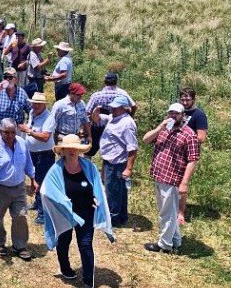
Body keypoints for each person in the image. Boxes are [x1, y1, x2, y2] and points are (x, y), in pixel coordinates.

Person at [41, 134, 114, 288]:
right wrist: (62, 202)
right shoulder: (55, 170)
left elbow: (97, 187)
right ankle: (65, 268)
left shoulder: (89, 167)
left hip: (86, 212)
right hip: (65, 214)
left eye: (75, 148)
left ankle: (88, 281)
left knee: (85, 244)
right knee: (64, 240)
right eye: (68, 148)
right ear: (63, 151)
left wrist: (96, 198)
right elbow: (45, 191)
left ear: (79, 150)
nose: (72, 150)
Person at [142, 103, 200, 253]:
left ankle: (165, 245)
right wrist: (160, 127)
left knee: (166, 213)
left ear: (183, 115)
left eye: (176, 113)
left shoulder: (189, 134)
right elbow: (145, 140)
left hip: (173, 179)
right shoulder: (164, 129)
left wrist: (185, 183)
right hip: (159, 175)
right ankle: (175, 240)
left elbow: (193, 160)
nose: (173, 116)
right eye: (170, 113)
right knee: (167, 211)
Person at [0, 118, 36, 261]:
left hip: (19, 188)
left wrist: (33, 179)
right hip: (0, 189)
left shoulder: (22, 143)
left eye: (13, 132)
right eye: (6, 132)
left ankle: (20, 246)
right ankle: (0, 243)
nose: (10, 135)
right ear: (0, 131)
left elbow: (28, 163)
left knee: (20, 216)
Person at [91, 96, 138, 227]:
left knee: (113, 192)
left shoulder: (127, 124)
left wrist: (128, 168)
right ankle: (121, 216)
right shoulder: (113, 118)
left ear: (123, 108)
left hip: (117, 163)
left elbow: (132, 148)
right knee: (118, 191)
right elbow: (97, 119)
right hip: (110, 161)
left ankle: (113, 219)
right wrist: (96, 110)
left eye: (115, 107)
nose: (112, 108)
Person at [18, 92, 56, 225]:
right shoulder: (33, 113)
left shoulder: (49, 117)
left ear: (44, 104)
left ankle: (43, 214)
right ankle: (37, 204)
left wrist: (28, 131)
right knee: (35, 180)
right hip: (32, 153)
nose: (35, 106)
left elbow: (45, 137)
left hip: (44, 154)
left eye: (38, 104)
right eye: (34, 103)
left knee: (42, 183)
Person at [85, 72, 137, 159]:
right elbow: (134, 106)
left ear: (104, 81)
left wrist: (90, 123)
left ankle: (87, 170)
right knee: (113, 153)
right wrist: (130, 116)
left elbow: (87, 113)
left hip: (97, 127)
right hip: (117, 126)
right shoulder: (122, 94)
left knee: (88, 152)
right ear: (116, 82)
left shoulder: (96, 95)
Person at [177, 87, 208, 225]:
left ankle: (181, 213)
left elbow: (201, 137)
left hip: (189, 154)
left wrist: (185, 139)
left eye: (187, 98)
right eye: (182, 98)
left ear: (193, 99)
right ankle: (171, 207)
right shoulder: (178, 112)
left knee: (183, 182)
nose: (184, 101)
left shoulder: (199, 115)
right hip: (175, 152)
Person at [0, 68, 31, 139]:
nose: (7, 79)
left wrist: (28, 125)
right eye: (5, 77)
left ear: (16, 79)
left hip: (15, 132)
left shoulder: (22, 93)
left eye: (10, 77)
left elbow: (31, 110)